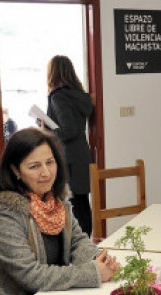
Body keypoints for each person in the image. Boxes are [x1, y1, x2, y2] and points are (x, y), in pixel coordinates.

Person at [0, 128, 118, 295]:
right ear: (16, 170)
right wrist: (92, 273)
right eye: (34, 166)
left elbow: (77, 242)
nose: (46, 173)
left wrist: (99, 259)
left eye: (50, 162)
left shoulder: (55, 200)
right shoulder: (4, 212)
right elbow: (31, 276)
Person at [46, 55, 94, 236]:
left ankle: (79, 251)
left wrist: (47, 132)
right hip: (82, 154)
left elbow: (68, 129)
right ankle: (87, 245)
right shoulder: (80, 97)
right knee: (82, 203)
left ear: (53, 73)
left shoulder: (58, 97)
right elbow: (75, 126)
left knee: (71, 205)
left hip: (68, 157)